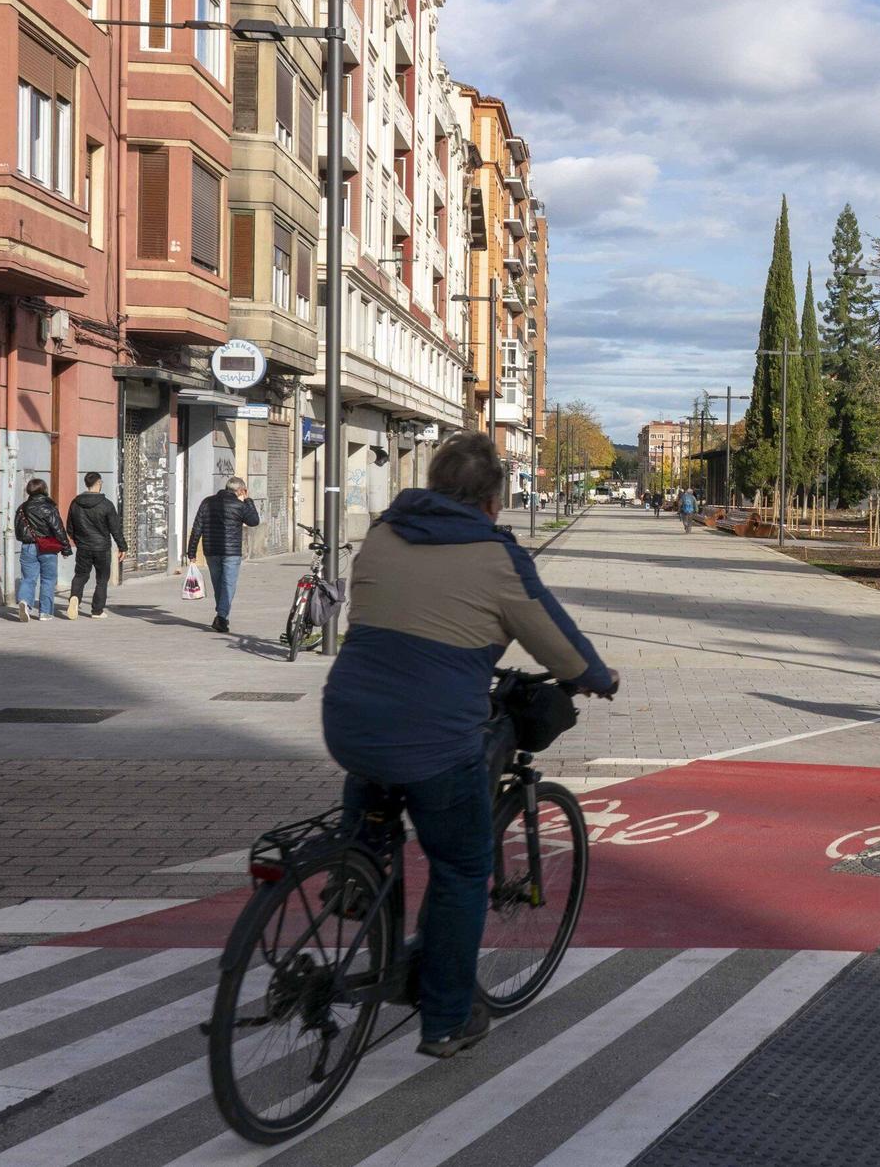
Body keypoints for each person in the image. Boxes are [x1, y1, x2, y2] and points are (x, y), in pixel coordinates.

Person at [322, 431, 617, 1057]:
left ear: (432, 484)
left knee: (381, 766)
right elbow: (555, 640)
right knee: (461, 866)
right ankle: (448, 1018)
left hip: (348, 716)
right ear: (492, 501)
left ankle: (357, 867)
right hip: (434, 734)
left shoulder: (382, 533)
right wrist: (596, 677)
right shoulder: (496, 556)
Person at [186, 475, 260, 634]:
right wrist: (248, 500)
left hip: (211, 550)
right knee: (228, 585)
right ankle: (221, 616)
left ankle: (221, 614)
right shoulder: (239, 505)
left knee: (219, 583)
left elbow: (197, 527)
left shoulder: (207, 502)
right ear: (241, 490)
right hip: (231, 552)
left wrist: (191, 551)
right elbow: (254, 521)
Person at [66, 472, 125, 620]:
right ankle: (97, 611)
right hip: (102, 547)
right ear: (98, 483)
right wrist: (122, 547)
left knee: (80, 575)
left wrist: (79, 541)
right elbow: (115, 528)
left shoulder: (75, 503)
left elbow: (70, 528)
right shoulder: (106, 505)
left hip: (83, 547)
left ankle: (74, 597)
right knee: (102, 579)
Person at [12, 478, 70, 621]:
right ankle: (45, 613)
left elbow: (18, 531)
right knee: (48, 579)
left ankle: (24, 602)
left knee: (28, 578)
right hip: (48, 547)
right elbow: (58, 528)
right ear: (44, 490)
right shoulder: (49, 507)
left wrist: (28, 539)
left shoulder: (21, 508)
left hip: (28, 546)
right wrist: (66, 548)